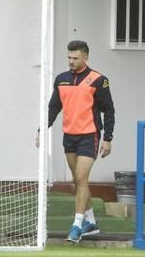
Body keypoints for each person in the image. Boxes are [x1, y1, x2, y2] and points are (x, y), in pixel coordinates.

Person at [36, 40, 115, 243]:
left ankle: (76, 225)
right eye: (69, 58)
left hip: (90, 135)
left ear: (86, 58)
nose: (71, 61)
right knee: (78, 181)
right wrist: (41, 131)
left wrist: (108, 138)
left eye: (75, 58)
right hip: (69, 136)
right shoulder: (61, 80)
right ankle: (91, 222)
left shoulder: (99, 80)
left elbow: (109, 110)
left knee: (81, 177)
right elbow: (53, 108)